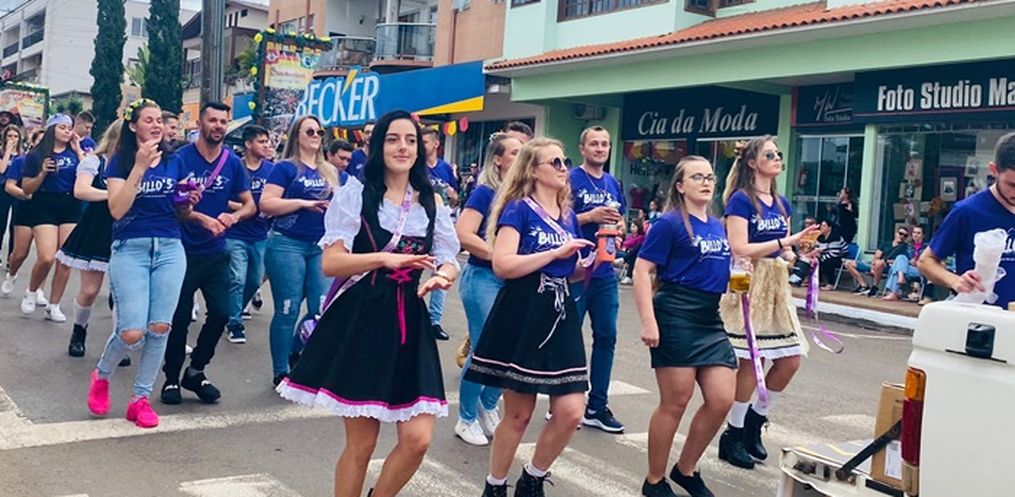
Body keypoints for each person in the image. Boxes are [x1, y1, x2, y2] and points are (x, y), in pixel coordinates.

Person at [276, 110, 459, 497]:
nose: (402, 147)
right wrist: (382, 259)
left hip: (410, 322)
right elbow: (331, 263)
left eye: (410, 140)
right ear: (378, 147)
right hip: (364, 318)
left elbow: (448, 258)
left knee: (418, 439)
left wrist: (442, 277)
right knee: (362, 445)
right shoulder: (356, 195)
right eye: (393, 139)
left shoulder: (432, 202)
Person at [464, 137, 594, 497]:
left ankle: (533, 476)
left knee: (571, 410)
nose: (564, 168)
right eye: (555, 162)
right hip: (522, 309)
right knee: (519, 414)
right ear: (533, 170)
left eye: (565, 161)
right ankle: (495, 485)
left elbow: (570, 272)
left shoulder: (568, 214)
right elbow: (503, 264)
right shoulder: (518, 209)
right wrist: (554, 253)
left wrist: (590, 263)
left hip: (559, 311)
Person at [85, 98, 194, 428]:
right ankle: (102, 375)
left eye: (159, 120)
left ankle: (140, 399)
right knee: (132, 332)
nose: (157, 125)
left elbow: (180, 209)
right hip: (130, 247)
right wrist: (140, 166)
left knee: (160, 327)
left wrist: (188, 202)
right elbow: (117, 209)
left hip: (170, 246)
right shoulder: (119, 160)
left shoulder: (175, 160)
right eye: (149, 120)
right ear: (133, 126)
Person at [633, 156, 736, 497]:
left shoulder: (717, 225)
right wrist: (648, 320)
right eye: (697, 177)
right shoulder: (669, 223)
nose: (706, 183)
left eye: (710, 177)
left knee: (722, 399)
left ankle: (686, 469)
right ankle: (654, 480)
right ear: (680, 186)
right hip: (675, 312)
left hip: (709, 317)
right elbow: (641, 270)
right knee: (676, 401)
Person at [718, 136, 819, 470]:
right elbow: (739, 247)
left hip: (776, 284)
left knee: (790, 359)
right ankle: (733, 433)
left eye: (778, 154)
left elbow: (784, 251)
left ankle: (755, 420)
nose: (777, 158)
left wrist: (799, 253)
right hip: (749, 282)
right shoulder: (741, 200)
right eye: (769, 154)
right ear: (752, 163)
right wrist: (784, 242)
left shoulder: (781, 201)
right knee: (752, 361)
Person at [160, 102, 255, 406]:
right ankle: (171, 377)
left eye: (223, 122)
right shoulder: (180, 158)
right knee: (179, 318)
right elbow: (172, 206)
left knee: (222, 313)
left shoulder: (232, 162)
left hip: (216, 252)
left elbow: (250, 204)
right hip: (181, 251)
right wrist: (198, 217)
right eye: (212, 120)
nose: (218, 126)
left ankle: (196, 370)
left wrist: (233, 217)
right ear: (200, 123)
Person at [453, 132, 523, 446]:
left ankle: (488, 404)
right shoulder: (485, 192)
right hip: (483, 277)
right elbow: (464, 233)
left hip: (514, 281)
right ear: (498, 160)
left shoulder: (525, 195)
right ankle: (466, 418)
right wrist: (497, 256)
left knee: (509, 350)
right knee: (484, 350)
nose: (521, 157)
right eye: (514, 152)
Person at [260, 115, 338, 387]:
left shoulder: (330, 171)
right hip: (286, 243)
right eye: (310, 131)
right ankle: (280, 370)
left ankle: (296, 349)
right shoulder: (285, 168)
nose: (316, 136)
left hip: (320, 245)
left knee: (321, 308)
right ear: (297, 136)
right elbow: (266, 204)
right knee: (288, 308)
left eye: (319, 132)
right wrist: (303, 204)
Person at [569, 125, 627, 433]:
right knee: (570, 337)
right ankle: (564, 401)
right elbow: (556, 219)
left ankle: (597, 406)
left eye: (605, 144)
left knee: (606, 337)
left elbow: (621, 217)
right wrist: (590, 217)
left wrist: (620, 228)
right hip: (575, 270)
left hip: (605, 272)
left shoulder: (613, 182)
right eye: (594, 144)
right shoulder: (570, 179)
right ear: (582, 148)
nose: (600, 149)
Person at [919, 132, 1015, 310]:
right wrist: (955, 281)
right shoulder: (967, 211)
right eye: (1012, 185)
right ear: (993, 170)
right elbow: (926, 261)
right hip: (978, 318)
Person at [59, 120, 123, 357]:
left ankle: (119, 342)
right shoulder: (95, 161)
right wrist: (114, 195)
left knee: (121, 292)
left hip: (125, 230)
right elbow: (81, 190)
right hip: (97, 228)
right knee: (90, 290)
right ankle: (79, 329)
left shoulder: (134, 164)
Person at [20, 113, 86, 322]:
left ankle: (54, 304)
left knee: (65, 260)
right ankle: (32, 290)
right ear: (52, 130)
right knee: (47, 256)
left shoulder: (75, 153)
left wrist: (78, 149)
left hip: (70, 206)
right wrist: (42, 173)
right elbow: (26, 188)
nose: (67, 131)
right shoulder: (36, 155)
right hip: (44, 204)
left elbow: (89, 175)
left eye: (69, 127)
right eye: (62, 127)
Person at [223, 124, 275, 344]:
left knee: (254, 280)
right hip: (235, 233)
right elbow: (222, 198)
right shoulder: (235, 167)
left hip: (260, 234)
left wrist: (268, 208)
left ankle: (233, 308)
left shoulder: (271, 170)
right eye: (261, 141)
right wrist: (247, 208)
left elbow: (276, 198)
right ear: (248, 144)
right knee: (237, 278)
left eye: (267, 141)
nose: (266, 145)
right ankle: (234, 322)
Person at [421, 127, 459, 342]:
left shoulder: (445, 168)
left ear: (436, 144)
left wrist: (453, 197)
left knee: (441, 272)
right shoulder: (417, 167)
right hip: (420, 223)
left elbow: (455, 198)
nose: (421, 146)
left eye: (424, 142)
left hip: (442, 222)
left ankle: (434, 321)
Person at [2, 128, 45, 298]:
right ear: (32, 143)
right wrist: (26, 194)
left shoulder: (56, 163)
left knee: (46, 256)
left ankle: (38, 290)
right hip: (26, 208)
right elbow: (9, 186)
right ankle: (12, 274)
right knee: (20, 253)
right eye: (39, 141)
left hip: (47, 211)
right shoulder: (22, 161)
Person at [845, 225, 911, 296]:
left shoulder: (905, 248)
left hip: (888, 268)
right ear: (896, 233)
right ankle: (863, 285)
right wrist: (873, 266)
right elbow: (876, 256)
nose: (902, 236)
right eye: (900, 233)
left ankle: (875, 286)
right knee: (848, 263)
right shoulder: (885, 244)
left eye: (905, 236)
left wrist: (884, 261)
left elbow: (902, 261)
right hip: (875, 265)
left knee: (880, 263)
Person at [883, 225, 926, 301]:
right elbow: (893, 258)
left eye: (918, 233)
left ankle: (894, 291)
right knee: (901, 257)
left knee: (896, 268)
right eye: (914, 232)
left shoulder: (927, 247)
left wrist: (917, 262)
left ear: (923, 235)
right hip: (907, 268)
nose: (915, 235)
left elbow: (929, 261)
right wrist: (909, 261)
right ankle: (900, 278)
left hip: (920, 270)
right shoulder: (907, 246)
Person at [0, 124, 23, 262]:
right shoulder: (1, 153)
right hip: (2, 189)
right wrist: (8, 150)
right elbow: (2, 169)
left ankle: (11, 256)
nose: (12, 139)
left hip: (16, 189)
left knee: (14, 224)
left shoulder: (22, 155)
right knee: (1, 221)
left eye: (15, 136)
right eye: (9, 136)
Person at [814, 219, 848, 291]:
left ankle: (831, 283)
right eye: (821, 226)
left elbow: (834, 253)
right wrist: (817, 254)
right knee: (815, 260)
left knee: (827, 262)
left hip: (839, 257)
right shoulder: (820, 237)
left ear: (829, 228)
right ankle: (818, 281)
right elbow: (817, 248)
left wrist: (822, 258)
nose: (821, 227)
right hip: (826, 255)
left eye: (824, 226)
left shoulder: (836, 237)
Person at [619, 221, 646, 285]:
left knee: (633, 255)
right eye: (631, 226)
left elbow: (636, 248)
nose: (631, 228)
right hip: (623, 251)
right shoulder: (630, 236)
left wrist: (628, 249)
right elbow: (625, 244)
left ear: (638, 227)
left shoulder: (640, 238)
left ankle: (623, 260)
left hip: (631, 253)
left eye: (633, 226)